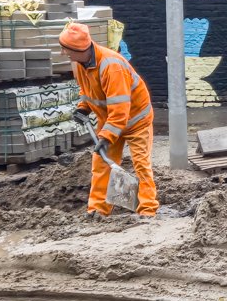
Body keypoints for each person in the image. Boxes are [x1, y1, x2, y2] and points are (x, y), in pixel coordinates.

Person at [59, 23, 158, 216]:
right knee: (101, 164)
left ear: (79, 49)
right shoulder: (79, 63)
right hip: (111, 120)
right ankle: (98, 209)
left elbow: (121, 109)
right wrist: (84, 108)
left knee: (141, 163)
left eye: (66, 49)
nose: (64, 53)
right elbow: (89, 89)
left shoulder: (112, 66)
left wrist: (106, 136)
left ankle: (147, 210)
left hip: (136, 120)